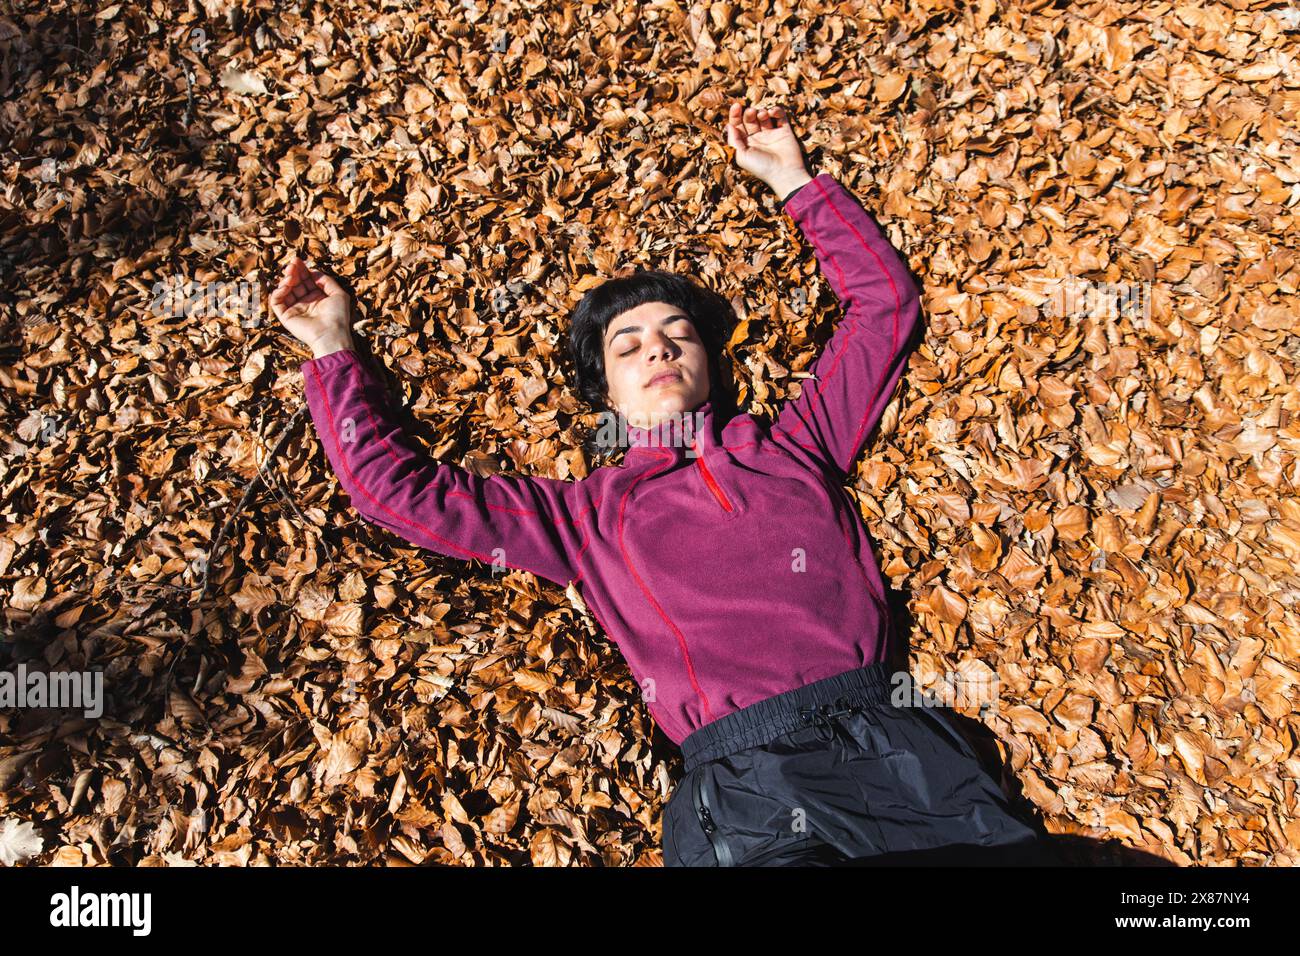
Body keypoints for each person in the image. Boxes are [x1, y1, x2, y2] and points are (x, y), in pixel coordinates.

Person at [271, 101, 1060, 866]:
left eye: (679, 334)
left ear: (709, 363)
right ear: (605, 391)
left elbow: (884, 309)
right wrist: (333, 351)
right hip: (747, 789)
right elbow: (398, 493)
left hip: (895, 747)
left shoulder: (795, 445)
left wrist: (795, 183)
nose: (660, 350)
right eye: (629, 345)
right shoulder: (581, 518)